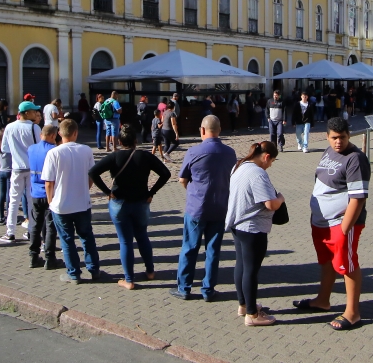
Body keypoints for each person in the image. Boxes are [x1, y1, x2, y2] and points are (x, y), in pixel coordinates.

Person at [292, 117, 369, 330]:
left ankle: (352, 313)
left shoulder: (355, 158)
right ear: (327, 137)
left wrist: (345, 228)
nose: (338, 142)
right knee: (325, 262)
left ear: (348, 136)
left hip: (342, 224)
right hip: (321, 223)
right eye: (334, 138)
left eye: (342, 138)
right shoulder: (328, 152)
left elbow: (358, 197)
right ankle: (322, 301)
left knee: (346, 264)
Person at [89, 124, 171, 289]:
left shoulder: (114, 157)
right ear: (135, 141)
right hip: (141, 202)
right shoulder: (145, 156)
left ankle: (129, 279)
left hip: (120, 203)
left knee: (125, 241)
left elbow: (93, 172)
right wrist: (151, 192)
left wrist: (107, 192)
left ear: (119, 141)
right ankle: (150, 271)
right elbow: (166, 174)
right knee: (142, 236)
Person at [171, 115, 237, 301]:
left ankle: (184, 287)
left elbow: (182, 179)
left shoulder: (194, 152)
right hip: (220, 207)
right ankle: (208, 289)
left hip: (197, 207)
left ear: (202, 130)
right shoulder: (230, 153)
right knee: (213, 250)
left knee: (190, 247)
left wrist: (194, 191)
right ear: (219, 130)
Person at [225, 141, 283, 326]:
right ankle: (253, 314)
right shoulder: (258, 174)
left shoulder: (239, 165)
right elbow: (270, 204)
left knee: (241, 265)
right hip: (253, 227)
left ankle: (243, 304)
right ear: (266, 157)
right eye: (272, 161)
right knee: (251, 270)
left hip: (237, 223)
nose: (271, 165)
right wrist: (280, 198)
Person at [41, 119, 100, 283]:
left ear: (59, 133)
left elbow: (48, 182)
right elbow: (91, 176)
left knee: (67, 239)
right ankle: (94, 268)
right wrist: (84, 191)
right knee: (87, 236)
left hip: (61, 205)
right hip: (82, 203)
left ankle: (74, 273)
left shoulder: (54, 153)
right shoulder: (86, 150)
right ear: (75, 133)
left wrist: (50, 201)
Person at [0, 101, 42, 242]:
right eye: (33, 111)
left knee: (13, 200)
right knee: (31, 200)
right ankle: (31, 231)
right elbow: (38, 147)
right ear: (26, 113)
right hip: (31, 168)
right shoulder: (34, 127)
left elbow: (4, 148)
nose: (36, 113)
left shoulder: (9, 127)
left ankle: (10, 232)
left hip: (17, 167)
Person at [27, 125, 61, 269]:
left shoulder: (31, 148)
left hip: (35, 191)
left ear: (41, 134)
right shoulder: (53, 151)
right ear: (53, 136)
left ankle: (33, 256)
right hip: (49, 192)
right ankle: (50, 257)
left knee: (35, 225)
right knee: (50, 226)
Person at [0, 128, 12, 225]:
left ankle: (1, 217)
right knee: (9, 195)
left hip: (1, 171)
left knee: (1, 194)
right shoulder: (9, 148)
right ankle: (9, 215)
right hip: (10, 172)